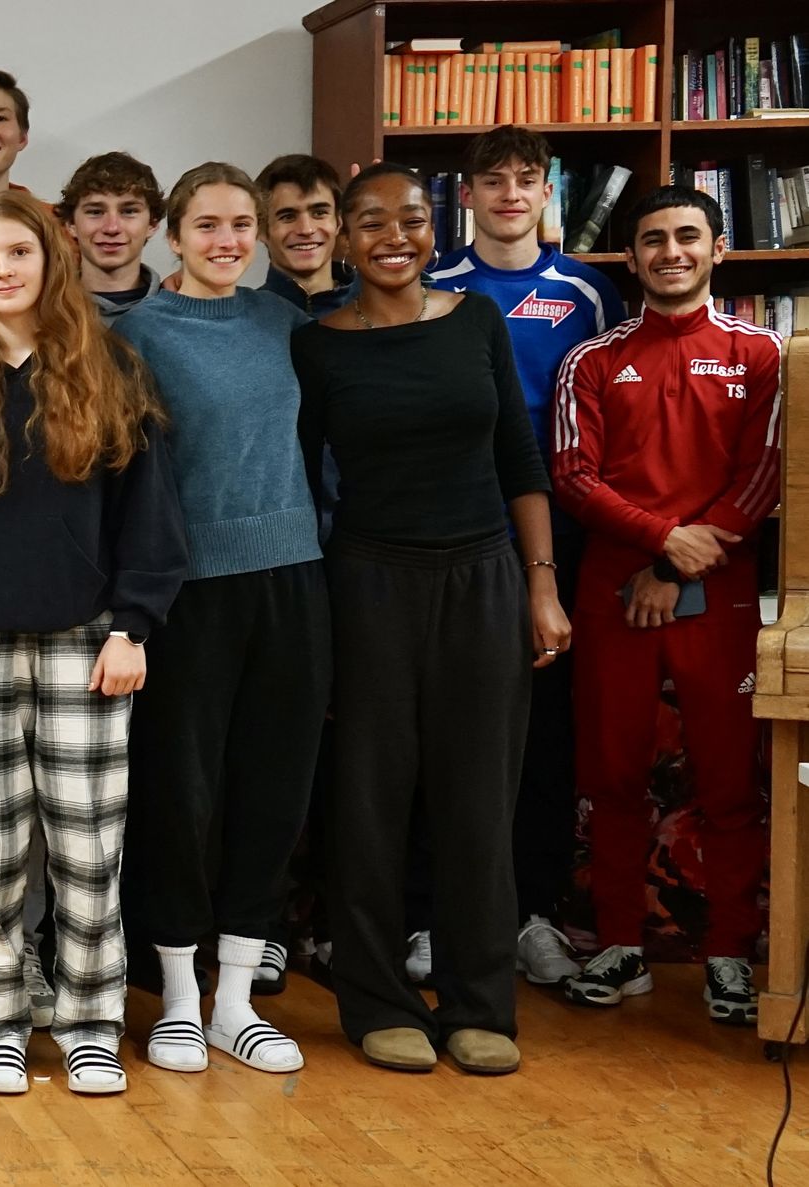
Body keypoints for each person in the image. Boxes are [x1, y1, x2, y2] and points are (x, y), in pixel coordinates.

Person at [0, 190, 185, 1097]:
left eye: (19, 252)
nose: (3, 269)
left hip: (88, 642)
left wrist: (133, 623)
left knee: (88, 852)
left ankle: (90, 1024)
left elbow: (149, 511)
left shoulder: (109, 366)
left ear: (50, 262)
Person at [289, 163, 571, 1077]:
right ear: (345, 238)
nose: (394, 236)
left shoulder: (476, 320)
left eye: (411, 218)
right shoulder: (317, 346)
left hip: (484, 577)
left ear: (433, 227)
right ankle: (378, 1001)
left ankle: (480, 1001)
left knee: (478, 800)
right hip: (369, 582)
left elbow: (519, 457)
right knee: (370, 803)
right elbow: (298, 481)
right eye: (371, 222)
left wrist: (540, 585)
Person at [113, 163, 326, 1077]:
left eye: (243, 223)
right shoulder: (134, 337)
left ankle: (236, 999)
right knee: (181, 794)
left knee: (273, 791)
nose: (227, 240)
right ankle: (177, 994)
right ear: (173, 235)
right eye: (207, 224)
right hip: (188, 592)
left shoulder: (288, 324)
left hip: (292, 579)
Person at [551, 187, 782, 1025]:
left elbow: (765, 475)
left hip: (718, 592)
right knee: (611, 774)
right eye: (653, 239)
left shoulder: (763, 353)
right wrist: (661, 542)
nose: (671, 251)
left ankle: (730, 953)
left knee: (729, 779)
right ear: (631, 257)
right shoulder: (592, 359)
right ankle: (619, 941)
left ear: (719, 248)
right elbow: (574, 476)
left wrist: (679, 563)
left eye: (688, 235)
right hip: (614, 594)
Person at [427, 126, 627, 988]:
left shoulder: (588, 291)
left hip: (559, 537)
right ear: (466, 194)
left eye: (526, 178)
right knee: (446, 731)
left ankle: (532, 913)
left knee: (543, 733)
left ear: (548, 192)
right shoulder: (433, 284)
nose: (510, 193)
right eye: (493, 179)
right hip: (450, 534)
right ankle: (439, 914)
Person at [55, 152, 164, 318]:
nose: (112, 228)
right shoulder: (44, 311)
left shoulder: (180, 311)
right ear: (71, 224)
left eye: (129, 211)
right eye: (95, 212)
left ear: (152, 224)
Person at [255, 154, 355, 317]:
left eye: (319, 213)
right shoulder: (245, 319)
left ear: (338, 221)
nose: (306, 229)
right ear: (261, 230)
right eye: (288, 216)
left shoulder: (374, 311)